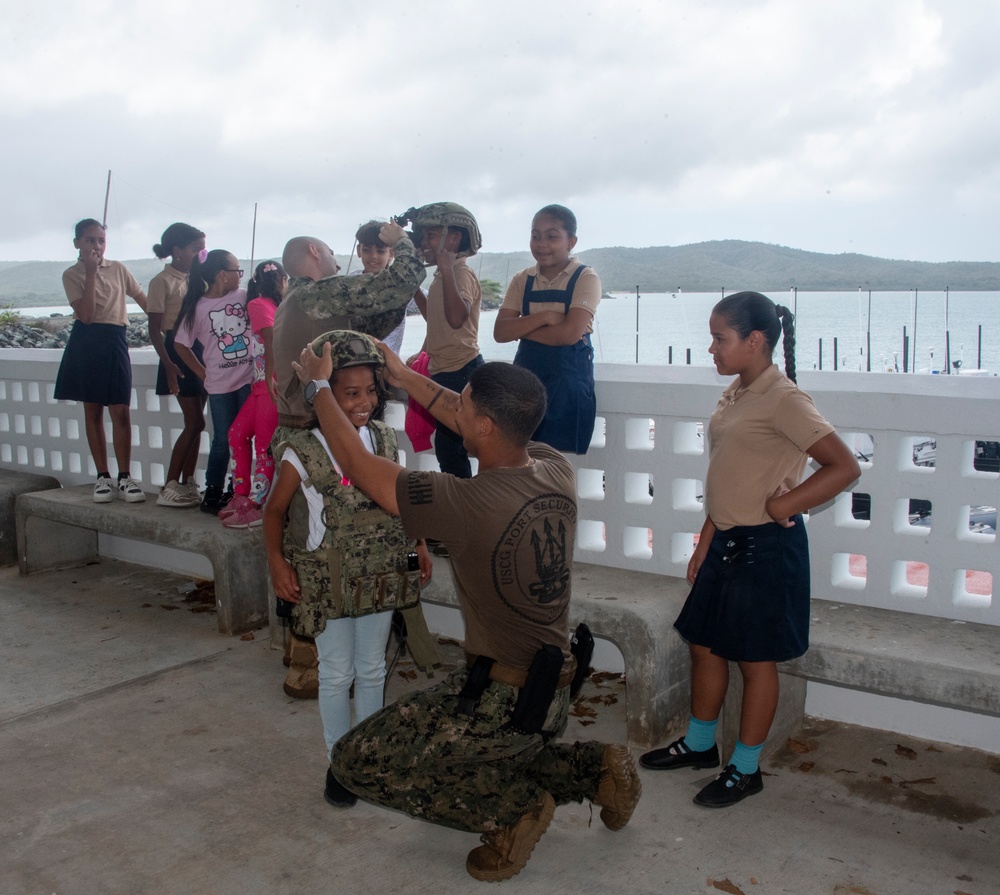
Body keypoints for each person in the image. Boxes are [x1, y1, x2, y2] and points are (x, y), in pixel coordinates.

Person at [292, 344, 642, 882]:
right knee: (462, 743)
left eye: (465, 408)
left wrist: (320, 388)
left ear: (480, 427)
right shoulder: (553, 469)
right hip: (550, 688)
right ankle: (592, 770)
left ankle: (513, 810)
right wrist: (407, 378)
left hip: (504, 700)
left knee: (358, 761)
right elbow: (466, 412)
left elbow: (361, 468)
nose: (454, 409)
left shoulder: (466, 501)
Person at [639, 291, 860, 807]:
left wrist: (790, 505)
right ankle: (699, 745)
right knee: (704, 644)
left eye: (720, 338)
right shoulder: (738, 391)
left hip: (765, 548)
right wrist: (706, 539)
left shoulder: (785, 398)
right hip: (726, 540)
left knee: (756, 661)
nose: (711, 348)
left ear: (754, 341)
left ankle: (745, 768)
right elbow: (729, 476)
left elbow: (844, 467)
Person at [264, 331, 432, 807]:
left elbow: (397, 501)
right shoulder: (303, 449)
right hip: (328, 581)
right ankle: (340, 762)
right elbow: (274, 511)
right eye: (350, 393)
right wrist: (277, 562)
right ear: (325, 394)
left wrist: (416, 547)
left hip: (380, 574)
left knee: (373, 668)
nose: (364, 402)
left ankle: (369, 757)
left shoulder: (382, 438)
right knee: (337, 673)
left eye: (370, 391)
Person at [273, 220, 424, 431]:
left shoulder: (295, 299)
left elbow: (368, 329)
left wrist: (393, 298)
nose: (337, 264)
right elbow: (403, 281)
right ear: (314, 251)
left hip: (305, 421)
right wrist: (401, 241)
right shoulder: (316, 293)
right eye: (331, 253)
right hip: (314, 425)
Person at [54, 218, 148, 503]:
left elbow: (143, 299)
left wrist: (167, 328)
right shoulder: (72, 274)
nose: (97, 246)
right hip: (88, 340)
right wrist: (91, 272)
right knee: (93, 410)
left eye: (101, 240)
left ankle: (124, 476)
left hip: (116, 339)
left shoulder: (118, 268)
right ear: (77, 243)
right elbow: (86, 315)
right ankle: (103, 477)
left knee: (120, 410)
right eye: (90, 240)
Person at [494, 204, 601, 454]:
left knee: (557, 464)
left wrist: (520, 329)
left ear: (571, 241)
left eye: (552, 236)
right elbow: (500, 333)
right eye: (535, 235)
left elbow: (569, 335)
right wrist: (546, 317)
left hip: (568, 384)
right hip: (524, 384)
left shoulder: (586, 278)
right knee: (521, 459)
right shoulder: (523, 279)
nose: (541, 244)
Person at [397, 202, 483, 478]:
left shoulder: (460, 273)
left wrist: (447, 270)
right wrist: (414, 290)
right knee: (449, 449)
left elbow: (457, 318)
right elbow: (437, 319)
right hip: (445, 369)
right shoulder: (443, 275)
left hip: (460, 370)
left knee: (451, 450)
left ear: (454, 238)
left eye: (431, 235)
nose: (424, 243)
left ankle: (463, 507)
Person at [172, 250, 253, 514]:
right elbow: (180, 344)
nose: (240, 276)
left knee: (244, 439)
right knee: (222, 440)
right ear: (222, 275)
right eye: (237, 270)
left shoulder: (242, 297)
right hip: (219, 385)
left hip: (247, 380)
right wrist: (202, 372)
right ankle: (214, 490)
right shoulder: (197, 306)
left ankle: (237, 488)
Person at [219, 260, 286, 529]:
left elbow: (269, 340)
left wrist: (269, 378)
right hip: (264, 385)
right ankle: (243, 495)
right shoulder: (266, 305)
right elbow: (271, 340)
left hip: (267, 385)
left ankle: (256, 504)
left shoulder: (260, 305)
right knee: (237, 435)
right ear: (281, 280)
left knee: (263, 445)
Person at [146, 222, 207, 508]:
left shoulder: (198, 279)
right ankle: (170, 485)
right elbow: (154, 330)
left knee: (196, 423)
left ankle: (188, 482)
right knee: (195, 421)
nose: (200, 254)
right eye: (196, 249)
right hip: (176, 350)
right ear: (177, 250)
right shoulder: (162, 282)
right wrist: (168, 365)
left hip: (199, 348)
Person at [350, 220, 422, 356]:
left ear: (391, 254)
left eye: (380, 251)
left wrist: (424, 350)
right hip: (355, 363)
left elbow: (435, 315)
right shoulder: (350, 281)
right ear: (359, 251)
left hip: (389, 367)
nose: (373, 256)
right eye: (367, 250)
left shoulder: (401, 285)